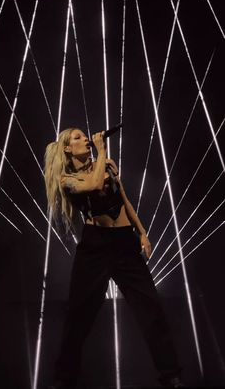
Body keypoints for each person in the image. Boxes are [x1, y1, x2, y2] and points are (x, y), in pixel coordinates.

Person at [44, 128, 183, 389]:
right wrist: (101, 150)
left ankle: (171, 375)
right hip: (95, 246)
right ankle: (64, 378)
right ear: (66, 148)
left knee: (150, 309)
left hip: (124, 243)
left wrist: (142, 233)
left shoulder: (105, 165)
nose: (85, 138)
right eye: (77, 137)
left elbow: (124, 199)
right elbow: (94, 185)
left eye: (86, 135)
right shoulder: (67, 179)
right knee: (78, 315)